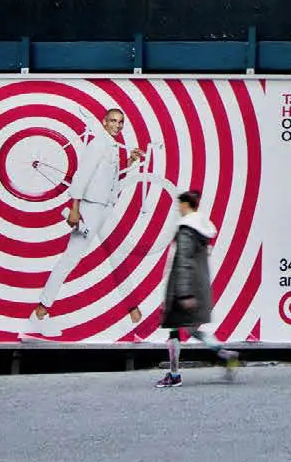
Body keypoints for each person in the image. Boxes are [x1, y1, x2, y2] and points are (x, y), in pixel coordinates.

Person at [25, 107, 146, 338]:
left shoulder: (111, 146)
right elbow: (82, 177)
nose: (117, 125)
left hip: (105, 209)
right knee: (69, 260)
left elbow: (110, 178)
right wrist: (75, 208)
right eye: (113, 121)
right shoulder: (98, 144)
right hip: (90, 209)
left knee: (118, 257)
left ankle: (134, 315)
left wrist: (130, 160)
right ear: (104, 122)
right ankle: (39, 314)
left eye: (120, 122)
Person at [155, 189, 241, 388]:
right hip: (198, 287)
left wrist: (183, 293)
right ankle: (225, 354)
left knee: (174, 330)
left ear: (186, 205)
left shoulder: (186, 230)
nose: (178, 208)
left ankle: (174, 375)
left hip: (183, 290)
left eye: (179, 204)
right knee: (192, 329)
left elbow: (183, 262)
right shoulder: (202, 228)